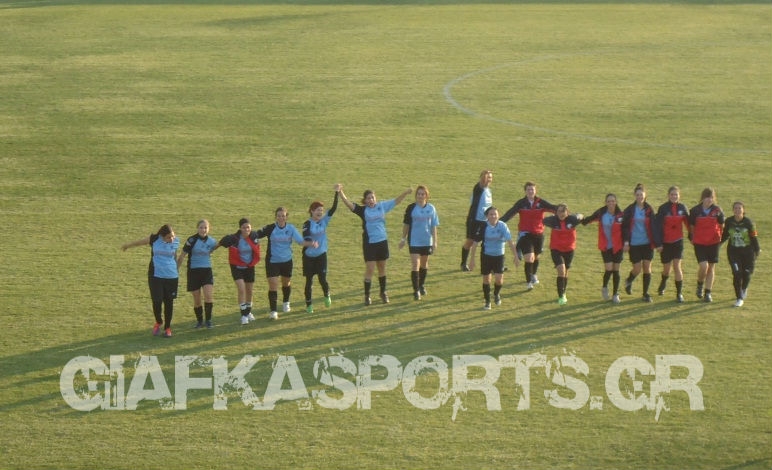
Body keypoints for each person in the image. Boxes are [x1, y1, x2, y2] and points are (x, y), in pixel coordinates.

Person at [339, 186, 412, 305]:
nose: (371, 200)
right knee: (370, 269)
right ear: (365, 200)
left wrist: (405, 192)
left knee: (382, 268)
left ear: (375, 198)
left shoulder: (381, 206)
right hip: (370, 244)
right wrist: (340, 192)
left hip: (382, 242)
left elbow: (396, 201)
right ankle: (367, 296)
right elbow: (349, 204)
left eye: (372, 197)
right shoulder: (363, 211)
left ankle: (383, 292)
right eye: (368, 198)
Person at [254, 207, 318, 320]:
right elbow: (256, 234)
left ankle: (286, 302)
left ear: (286, 217)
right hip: (272, 261)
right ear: (276, 217)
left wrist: (311, 244)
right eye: (279, 216)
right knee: (273, 285)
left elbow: (300, 241)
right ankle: (273, 311)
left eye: (283, 216)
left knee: (286, 283)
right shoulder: (270, 228)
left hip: (287, 261)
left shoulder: (290, 228)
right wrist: (247, 236)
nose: (281, 218)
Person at [122, 224, 180, 338]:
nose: (172, 239)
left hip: (171, 277)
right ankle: (158, 322)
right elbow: (140, 242)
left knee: (169, 302)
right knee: (157, 301)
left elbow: (175, 257)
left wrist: (175, 270)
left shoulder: (176, 242)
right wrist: (128, 245)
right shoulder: (154, 239)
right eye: (169, 237)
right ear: (162, 236)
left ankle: (167, 328)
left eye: (173, 236)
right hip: (155, 276)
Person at [501, 181, 558, 289]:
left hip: (538, 234)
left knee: (536, 257)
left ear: (535, 191)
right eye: (528, 189)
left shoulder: (541, 202)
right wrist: (498, 223)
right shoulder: (521, 203)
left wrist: (565, 213)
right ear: (525, 191)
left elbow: (554, 208)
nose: (530, 191)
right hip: (525, 234)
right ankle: (529, 282)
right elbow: (510, 213)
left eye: (532, 189)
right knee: (529, 258)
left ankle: (534, 274)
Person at [468, 207, 519, 310]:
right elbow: (475, 244)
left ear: (498, 215)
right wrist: (472, 260)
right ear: (487, 216)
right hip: (486, 256)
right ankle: (487, 301)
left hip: (499, 256)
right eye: (491, 214)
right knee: (486, 279)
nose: (493, 216)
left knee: (499, 280)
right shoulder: (483, 227)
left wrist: (516, 256)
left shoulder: (502, 226)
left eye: (495, 214)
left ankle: (496, 294)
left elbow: (510, 242)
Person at [301, 185, 341, 314]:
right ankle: (309, 305)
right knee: (309, 281)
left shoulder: (324, 221)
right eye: (318, 210)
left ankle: (327, 295)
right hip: (309, 257)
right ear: (312, 211)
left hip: (321, 255)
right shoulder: (307, 223)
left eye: (321, 210)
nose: (320, 212)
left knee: (322, 279)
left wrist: (337, 193)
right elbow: (306, 235)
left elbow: (333, 208)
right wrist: (311, 242)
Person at [581, 193, 624, 304]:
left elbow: (626, 229)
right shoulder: (601, 213)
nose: (611, 203)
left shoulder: (620, 215)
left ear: (616, 202)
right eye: (609, 201)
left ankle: (615, 294)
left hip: (618, 246)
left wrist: (627, 242)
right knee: (609, 269)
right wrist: (579, 218)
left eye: (613, 201)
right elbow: (588, 220)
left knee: (616, 270)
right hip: (605, 246)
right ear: (605, 202)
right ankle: (605, 287)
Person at [399, 185, 440, 300]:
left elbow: (433, 226)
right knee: (415, 264)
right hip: (414, 241)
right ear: (416, 195)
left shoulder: (431, 208)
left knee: (424, 264)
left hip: (426, 241)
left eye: (423, 194)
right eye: (418, 194)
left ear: (426, 196)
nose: (420, 196)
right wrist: (403, 239)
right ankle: (416, 290)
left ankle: (421, 285)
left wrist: (435, 241)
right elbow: (406, 224)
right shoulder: (411, 208)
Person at [218, 218, 261, 325]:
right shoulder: (233, 238)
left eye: (248, 227)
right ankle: (243, 315)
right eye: (244, 227)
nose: (246, 229)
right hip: (237, 267)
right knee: (242, 289)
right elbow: (220, 243)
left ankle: (248, 312)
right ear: (240, 228)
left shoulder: (254, 236)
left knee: (249, 290)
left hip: (249, 266)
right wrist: (210, 250)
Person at [177, 220, 218, 328]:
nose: (203, 230)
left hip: (206, 271)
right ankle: (199, 321)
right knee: (197, 299)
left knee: (208, 296)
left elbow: (216, 246)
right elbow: (182, 255)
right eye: (201, 227)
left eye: (205, 228)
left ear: (208, 229)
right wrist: (175, 269)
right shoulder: (192, 240)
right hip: (193, 272)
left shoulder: (211, 241)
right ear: (197, 228)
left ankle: (208, 320)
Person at [653, 186, 690, 303]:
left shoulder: (683, 208)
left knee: (677, 266)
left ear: (679, 196)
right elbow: (657, 227)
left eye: (676, 194)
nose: (674, 196)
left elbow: (689, 224)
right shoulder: (663, 208)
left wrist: (693, 236)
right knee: (666, 269)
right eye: (672, 194)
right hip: (665, 242)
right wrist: (658, 244)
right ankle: (663, 281)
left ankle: (679, 293)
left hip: (678, 241)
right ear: (668, 195)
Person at [688, 187, 725, 303]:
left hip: (713, 242)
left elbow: (722, 225)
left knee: (711, 267)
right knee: (704, 266)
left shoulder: (717, 210)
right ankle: (700, 284)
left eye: (711, 198)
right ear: (703, 198)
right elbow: (691, 227)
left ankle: (708, 293)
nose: (709, 200)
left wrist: (719, 237)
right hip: (699, 242)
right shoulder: (695, 211)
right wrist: (692, 238)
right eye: (707, 197)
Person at [622, 183, 656, 302]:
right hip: (634, 244)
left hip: (647, 243)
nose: (640, 197)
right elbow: (624, 227)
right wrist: (626, 242)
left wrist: (656, 242)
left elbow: (654, 225)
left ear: (645, 195)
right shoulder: (630, 210)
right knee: (637, 269)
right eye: (637, 195)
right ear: (634, 196)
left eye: (641, 194)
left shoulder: (649, 209)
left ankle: (645, 294)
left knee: (647, 267)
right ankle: (629, 280)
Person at [722, 201, 760, 307]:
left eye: (739, 208)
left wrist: (757, 249)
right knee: (737, 273)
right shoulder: (729, 221)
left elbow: (754, 237)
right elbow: (725, 235)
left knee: (746, 274)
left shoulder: (748, 222)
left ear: (743, 210)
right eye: (735, 208)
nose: (737, 210)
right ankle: (739, 298)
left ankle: (744, 288)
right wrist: (717, 244)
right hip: (733, 252)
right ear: (733, 210)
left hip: (748, 252)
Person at [543, 204, 583, 305]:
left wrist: (580, 216)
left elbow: (580, 216)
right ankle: (561, 296)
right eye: (559, 211)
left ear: (567, 212)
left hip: (569, 250)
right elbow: (544, 220)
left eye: (563, 211)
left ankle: (564, 292)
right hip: (556, 249)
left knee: (565, 272)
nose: (561, 213)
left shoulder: (572, 220)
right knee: (561, 270)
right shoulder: (553, 220)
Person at [461, 170, 493, 271]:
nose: (489, 179)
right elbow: (482, 182)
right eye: (487, 177)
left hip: (485, 221)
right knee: (470, 241)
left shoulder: (488, 191)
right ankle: (463, 263)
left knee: (488, 242)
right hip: (474, 220)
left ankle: (491, 265)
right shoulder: (478, 189)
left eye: (490, 177)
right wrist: (485, 175)